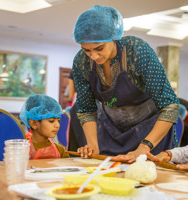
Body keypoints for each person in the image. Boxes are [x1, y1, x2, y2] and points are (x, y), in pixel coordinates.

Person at [72, 5, 179, 163]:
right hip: (111, 132)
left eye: (99, 48)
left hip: (150, 131)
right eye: (87, 50)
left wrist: (145, 146)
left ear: (113, 37)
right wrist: (93, 144)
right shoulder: (81, 61)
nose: (93, 56)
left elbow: (170, 105)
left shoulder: (137, 52)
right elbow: (86, 109)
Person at [19, 94, 69, 159]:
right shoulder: (21, 151)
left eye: (58, 121)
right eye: (51, 121)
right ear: (34, 123)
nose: (58, 125)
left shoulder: (60, 151)